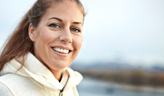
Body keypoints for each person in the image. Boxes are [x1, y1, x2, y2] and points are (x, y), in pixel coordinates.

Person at [0, 0, 86, 96]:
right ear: (32, 32)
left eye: (75, 29)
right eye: (54, 25)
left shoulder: (70, 88)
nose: (67, 38)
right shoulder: (7, 90)